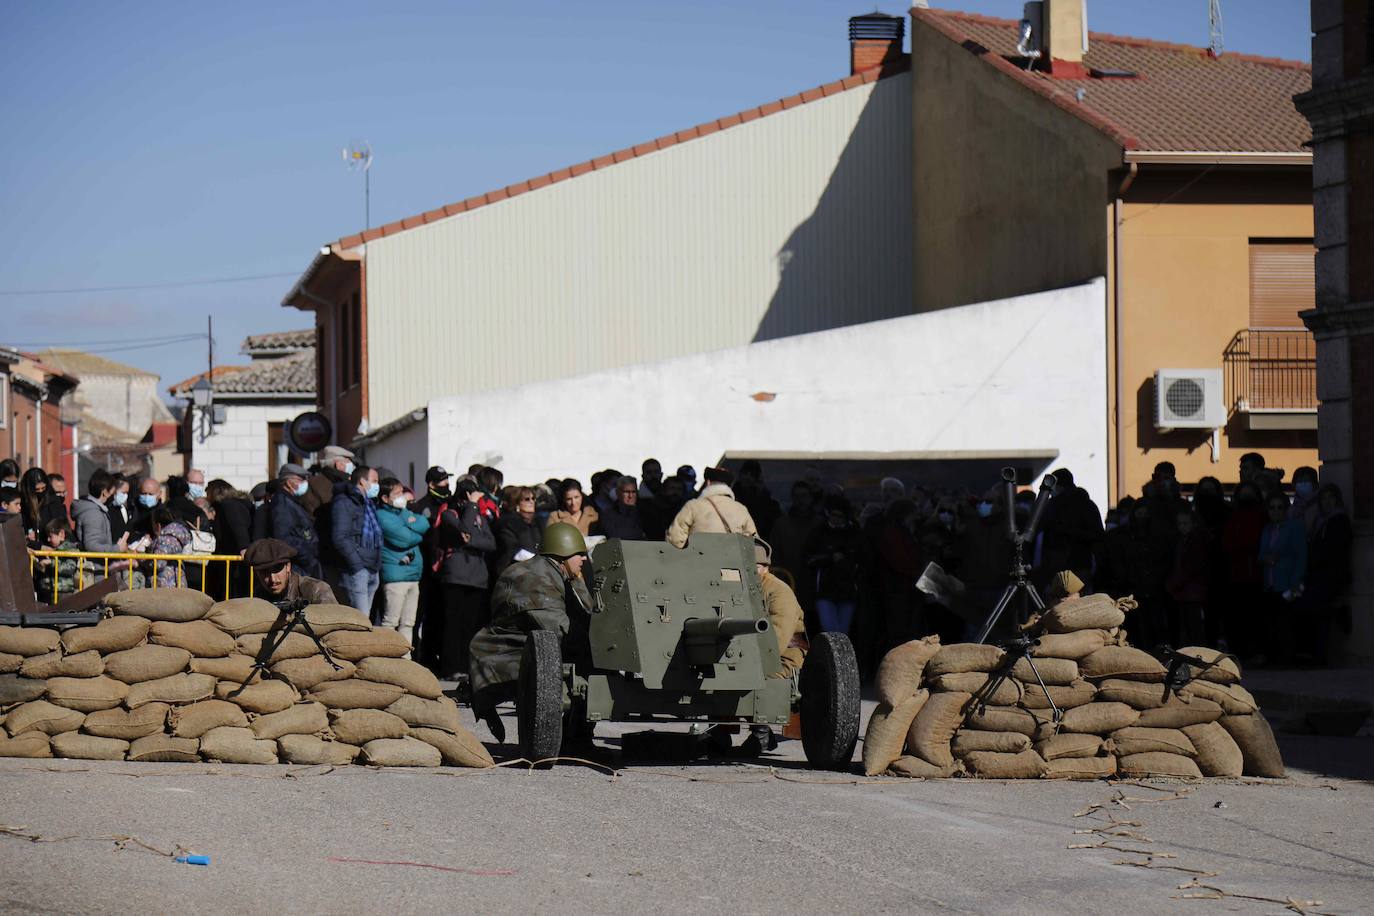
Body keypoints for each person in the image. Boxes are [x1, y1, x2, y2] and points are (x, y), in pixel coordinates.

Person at [468, 521, 593, 741]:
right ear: (562, 552)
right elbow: (559, 628)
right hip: (508, 654)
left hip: (535, 650)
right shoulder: (536, 579)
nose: (584, 558)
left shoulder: (557, 573)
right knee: (588, 667)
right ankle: (575, 739)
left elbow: (585, 614)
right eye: (579, 553)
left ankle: (576, 737)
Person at [434, 479, 497, 680]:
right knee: (454, 624)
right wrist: (470, 506)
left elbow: (490, 543)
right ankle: (451, 667)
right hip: (456, 577)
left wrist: (471, 541)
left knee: (471, 626)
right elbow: (463, 532)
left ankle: (468, 666)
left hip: (477, 578)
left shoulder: (478, 515)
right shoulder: (449, 513)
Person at [1297, 483, 1353, 665]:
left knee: (1318, 614)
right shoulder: (1320, 521)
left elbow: (1333, 550)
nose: (1327, 502)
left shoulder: (1339, 520)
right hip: (1319, 574)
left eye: (1331, 498)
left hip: (1330, 575)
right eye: (1324, 498)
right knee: (1315, 613)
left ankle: (1319, 656)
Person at [378, 476, 429, 656]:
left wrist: (411, 526)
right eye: (397, 493)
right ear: (385, 498)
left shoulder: (402, 512)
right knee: (390, 621)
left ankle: (405, 658)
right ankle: (386, 656)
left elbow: (424, 522)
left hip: (412, 575)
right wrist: (413, 530)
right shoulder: (383, 515)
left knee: (408, 623)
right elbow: (404, 538)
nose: (402, 497)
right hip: (396, 576)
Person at [1256, 492, 1307, 666]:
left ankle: (1287, 658)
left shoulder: (1295, 527)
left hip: (1287, 582)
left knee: (1286, 623)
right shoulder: (1267, 529)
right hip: (1270, 581)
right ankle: (1274, 657)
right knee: (1271, 622)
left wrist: (1296, 581)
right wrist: (1266, 558)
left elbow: (1301, 556)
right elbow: (1261, 553)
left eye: (1280, 507)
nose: (1276, 511)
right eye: (1272, 508)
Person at [804, 495, 863, 635]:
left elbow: (863, 558)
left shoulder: (855, 534)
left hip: (848, 591)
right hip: (825, 590)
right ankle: (834, 657)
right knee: (830, 631)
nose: (835, 518)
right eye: (833, 514)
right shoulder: (818, 532)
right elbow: (808, 558)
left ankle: (838, 657)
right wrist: (831, 558)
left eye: (840, 516)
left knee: (842, 633)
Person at [1036, 468, 1104, 591]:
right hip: (1082, 564)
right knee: (1081, 605)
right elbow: (1099, 535)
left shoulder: (1051, 506)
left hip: (1056, 566)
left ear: (1058, 486)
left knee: (1057, 606)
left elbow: (1038, 531)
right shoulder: (1088, 504)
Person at [332, 464, 383, 615]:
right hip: (357, 570)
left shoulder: (368, 503)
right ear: (362, 481)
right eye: (374, 481)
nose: (377, 485)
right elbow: (340, 537)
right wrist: (357, 565)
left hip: (372, 567)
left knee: (366, 620)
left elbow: (376, 533)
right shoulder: (344, 502)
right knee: (360, 621)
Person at [665, 466, 757, 547]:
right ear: (729, 486)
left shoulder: (693, 506)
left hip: (697, 563)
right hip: (732, 565)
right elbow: (753, 542)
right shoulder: (741, 509)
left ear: (708, 482)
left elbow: (675, 539)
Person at [242, 538, 337, 604]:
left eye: (277, 569)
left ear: (288, 567)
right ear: (256, 573)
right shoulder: (260, 594)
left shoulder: (316, 590)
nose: (273, 579)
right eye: (264, 572)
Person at [267, 463, 321, 578]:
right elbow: (283, 537)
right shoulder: (282, 504)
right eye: (301, 480)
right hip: (298, 564)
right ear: (289, 482)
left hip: (303, 563)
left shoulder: (291, 500)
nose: (305, 483)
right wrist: (307, 556)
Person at [1166, 508, 1210, 647]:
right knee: (1187, 626)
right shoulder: (1182, 541)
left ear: (1193, 524)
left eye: (1185, 523)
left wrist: (1175, 583)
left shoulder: (1196, 541)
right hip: (1184, 591)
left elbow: (1192, 566)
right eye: (1180, 523)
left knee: (1194, 626)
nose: (1182, 526)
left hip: (1192, 590)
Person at [32, 518, 96, 602]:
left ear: (61, 534)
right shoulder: (55, 550)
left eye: (50, 536)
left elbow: (69, 568)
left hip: (63, 590)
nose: (48, 540)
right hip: (50, 589)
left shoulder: (69, 550)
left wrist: (51, 563)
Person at [71, 468, 128, 555]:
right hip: (95, 566)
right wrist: (117, 548)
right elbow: (91, 545)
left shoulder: (97, 510)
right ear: (105, 492)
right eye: (112, 494)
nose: (113, 497)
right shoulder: (93, 514)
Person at [493, 486, 541, 574]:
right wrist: (536, 560)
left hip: (534, 572)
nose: (532, 502)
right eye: (527, 499)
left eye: (533, 498)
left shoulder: (536, 522)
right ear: (517, 503)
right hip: (513, 572)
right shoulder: (508, 522)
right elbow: (511, 548)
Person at [302, 445, 354, 516]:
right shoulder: (343, 482)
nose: (352, 464)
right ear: (339, 465)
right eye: (348, 460)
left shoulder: (315, 481)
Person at [734, 460, 780, 537]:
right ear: (740, 475)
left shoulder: (768, 503)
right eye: (745, 473)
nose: (747, 477)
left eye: (752, 475)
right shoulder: (731, 498)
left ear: (757, 479)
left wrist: (761, 495)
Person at [596, 475, 646, 540]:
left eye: (634, 492)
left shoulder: (644, 513)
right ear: (617, 492)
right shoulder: (607, 515)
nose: (630, 496)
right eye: (626, 492)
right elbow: (614, 536)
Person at [107, 475, 135, 546]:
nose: (126, 496)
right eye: (123, 493)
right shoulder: (105, 509)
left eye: (127, 493)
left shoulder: (123, 509)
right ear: (113, 490)